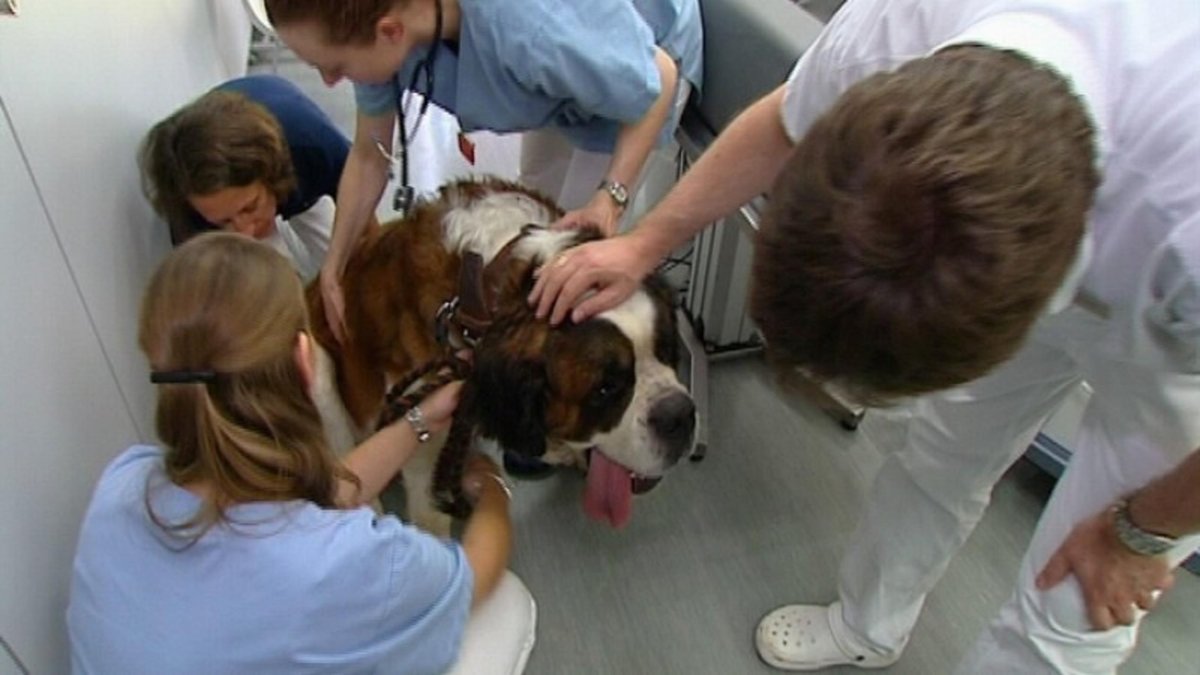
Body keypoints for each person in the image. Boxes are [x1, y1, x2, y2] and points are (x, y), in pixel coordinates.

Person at [531, 0, 1200, 671]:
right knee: (942, 453)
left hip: (1174, 355)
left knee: (1078, 600)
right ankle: (868, 625)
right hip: (1074, 240)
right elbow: (783, 123)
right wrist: (643, 243)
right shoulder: (904, 25)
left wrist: (1140, 532)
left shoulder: (1182, 212)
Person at [67, 233, 534, 674]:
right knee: (506, 604)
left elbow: (314, 505)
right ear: (304, 359)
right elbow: (471, 576)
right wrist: (493, 489)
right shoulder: (357, 561)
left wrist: (421, 419)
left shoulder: (122, 483)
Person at [260, 0, 702, 345]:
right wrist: (335, 265)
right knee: (536, 231)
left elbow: (656, 80)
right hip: (567, 80)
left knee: (577, 262)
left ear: (390, 33)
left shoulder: (531, 29)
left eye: (335, 67)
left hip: (642, 70)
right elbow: (369, 153)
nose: (330, 80)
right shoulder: (376, 18)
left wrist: (611, 197)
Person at [139, 74, 378, 281]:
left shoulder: (313, 145)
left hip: (301, 170)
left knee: (354, 269)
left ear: (272, 175)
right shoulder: (189, 212)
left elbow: (364, 215)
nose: (245, 233)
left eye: (249, 207)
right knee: (274, 288)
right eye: (223, 221)